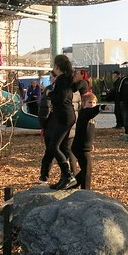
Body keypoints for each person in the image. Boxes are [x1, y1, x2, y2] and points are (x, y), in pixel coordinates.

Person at [46, 54, 79, 190]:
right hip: (67, 115)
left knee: (53, 146)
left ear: (57, 66)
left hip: (64, 117)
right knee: (63, 148)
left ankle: (68, 175)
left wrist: (48, 93)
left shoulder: (61, 79)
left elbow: (60, 98)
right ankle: (65, 177)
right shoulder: (67, 78)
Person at [71, 92, 103, 189]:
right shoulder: (84, 113)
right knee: (87, 170)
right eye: (90, 103)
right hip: (80, 147)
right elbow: (91, 112)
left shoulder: (90, 117)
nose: (92, 105)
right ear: (83, 104)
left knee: (86, 169)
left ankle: (71, 185)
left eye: (94, 103)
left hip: (85, 147)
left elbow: (89, 133)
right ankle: (85, 191)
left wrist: (90, 144)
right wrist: (100, 107)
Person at [37, 71, 57, 184]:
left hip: (53, 125)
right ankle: (70, 174)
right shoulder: (70, 88)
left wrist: (43, 124)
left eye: (51, 78)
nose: (50, 80)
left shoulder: (50, 90)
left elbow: (45, 109)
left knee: (51, 151)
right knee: (65, 152)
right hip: (66, 124)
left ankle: (44, 176)